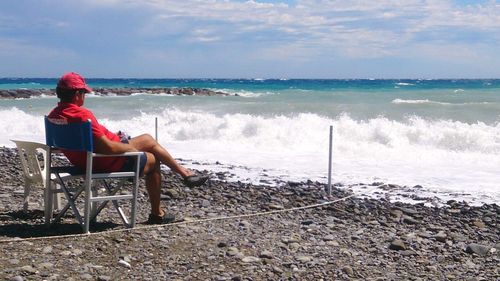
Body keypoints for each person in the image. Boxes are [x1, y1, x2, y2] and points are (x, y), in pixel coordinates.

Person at [48, 72, 208, 224]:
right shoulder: (82, 115)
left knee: (147, 139)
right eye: (84, 93)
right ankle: (158, 212)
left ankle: (184, 174)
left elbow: (85, 141)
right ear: (77, 94)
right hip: (105, 161)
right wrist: (130, 149)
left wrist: (117, 137)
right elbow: (108, 148)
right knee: (153, 159)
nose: (84, 96)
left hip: (83, 162)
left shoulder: (53, 116)